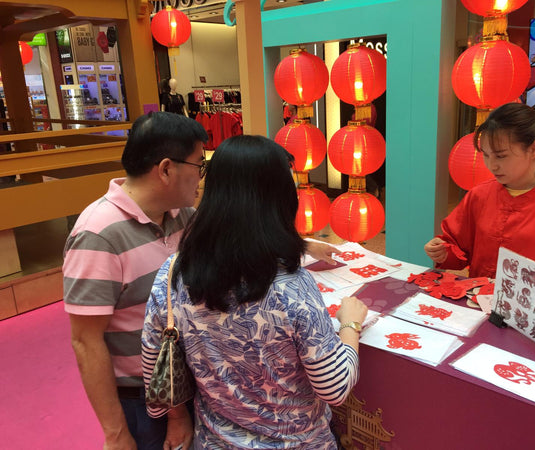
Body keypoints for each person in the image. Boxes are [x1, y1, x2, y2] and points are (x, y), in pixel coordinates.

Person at [64, 112, 340, 450]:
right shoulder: (98, 235)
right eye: (199, 165)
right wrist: (116, 432)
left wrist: (299, 243)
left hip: (198, 383)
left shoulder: (184, 217)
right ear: (166, 169)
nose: (202, 178)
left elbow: (238, 235)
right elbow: (85, 341)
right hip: (143, 393)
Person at [142, 135, 368, 449]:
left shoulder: (174, 272)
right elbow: (335, 387)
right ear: (278, 202)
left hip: (214, 441)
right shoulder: (293, 287)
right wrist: (350, 324)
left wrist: (176, 415)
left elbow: (154, 369)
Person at [424, 102, 535, 279]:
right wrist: (443, 251)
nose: (492, 165)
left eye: (501, 156)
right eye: (486, 154)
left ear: (534, 149)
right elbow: (458, 247)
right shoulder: (480, 195)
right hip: (479, 301)